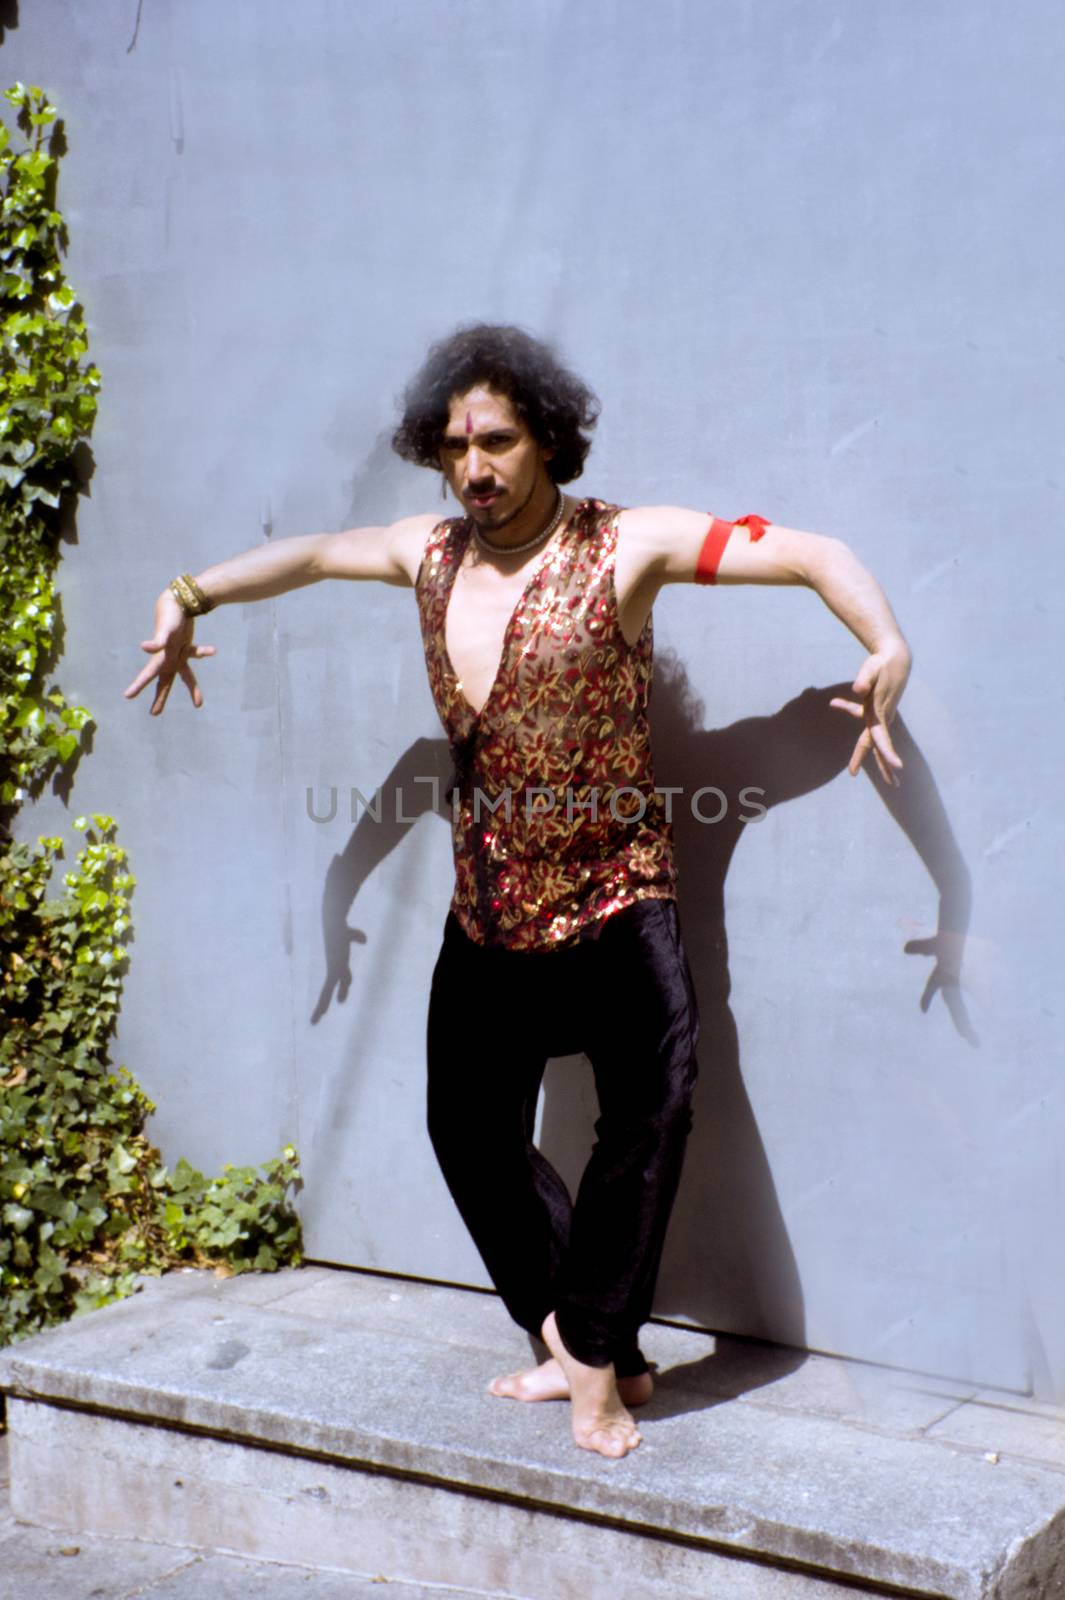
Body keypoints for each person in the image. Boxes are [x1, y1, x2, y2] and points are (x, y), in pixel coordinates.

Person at [125, 324, 912, 1459]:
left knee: (652, 1117)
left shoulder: (626, 547)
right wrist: (187, 592)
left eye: (495, 440)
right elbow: (307, 556)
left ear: (546, 437)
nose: (474, 467)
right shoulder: (429, 553)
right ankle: (593, 1346)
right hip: (489, 913)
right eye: (454, 446)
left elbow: (808, 550)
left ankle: (592, 1362)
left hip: (619, 905)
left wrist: (882, 640)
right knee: (466, 1127)